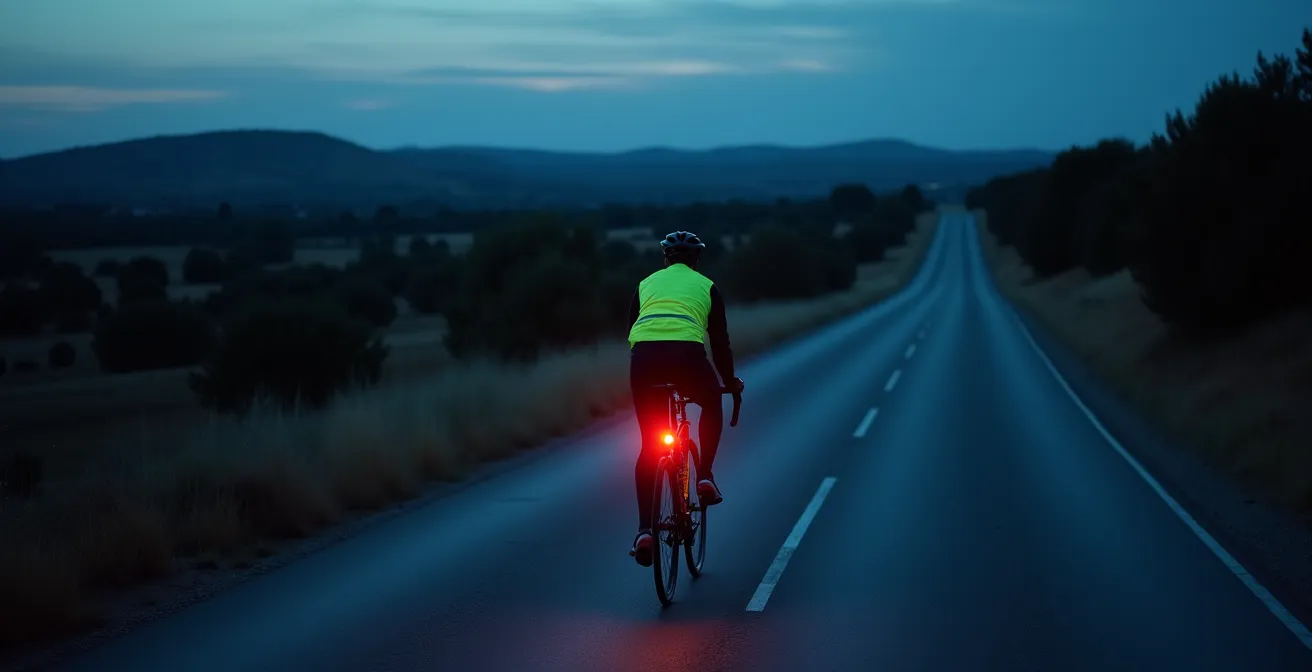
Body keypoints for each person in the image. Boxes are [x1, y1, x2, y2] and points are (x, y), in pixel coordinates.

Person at [626, 230, 745, 568]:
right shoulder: (707, 286)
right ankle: (705, 476)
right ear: (696, 261)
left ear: (665, 260)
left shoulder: (645, 284)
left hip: (644, 360)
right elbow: (720, 344)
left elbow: (632, 333)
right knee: (710, 402)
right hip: (687, 356)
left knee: (650, 446)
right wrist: (729, 383)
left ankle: (644, 531)